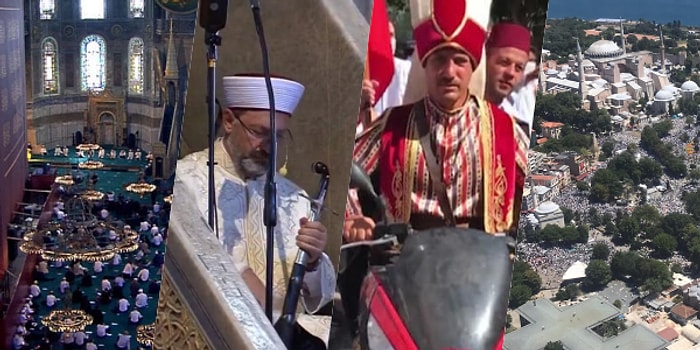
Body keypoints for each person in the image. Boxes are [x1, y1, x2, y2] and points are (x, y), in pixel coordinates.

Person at [340, 0, 529, 341]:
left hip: (481, 281)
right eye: (439, 59)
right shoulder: (394, 125)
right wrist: (353, 218)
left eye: (459, 61)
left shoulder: (505, 129)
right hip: (408, 275)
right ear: (424, 64)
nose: (449, 71)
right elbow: (344, 173)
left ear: (473, 66)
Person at [172, 74, 336, 341]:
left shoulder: (296, 198)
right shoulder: (185, 181)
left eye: (278, 136)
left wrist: (315, 260)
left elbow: (317, 298)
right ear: (228, 121)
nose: (268, 147)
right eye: (259, 133)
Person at [357, 21, 413, 135]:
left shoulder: (407, 69)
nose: (389, 39)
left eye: (392, 35)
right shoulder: (360, 72)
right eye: (385, 35)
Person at [482, 22, 537, 133]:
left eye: (518, 68)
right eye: (504, 62)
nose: (511, 73)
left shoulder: (518, 128)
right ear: (485, 59)